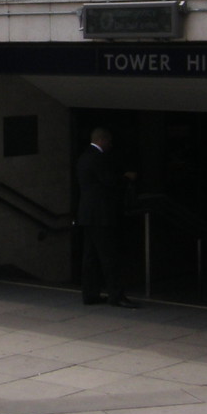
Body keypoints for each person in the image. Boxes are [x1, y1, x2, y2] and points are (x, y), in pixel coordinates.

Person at [76, 126, 138, 308]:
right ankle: (116, 295)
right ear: (102, 140)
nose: (110, 145)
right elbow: (111, 181)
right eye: (109, 142)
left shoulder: (83, 157)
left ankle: (90, 294)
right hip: (101, 215)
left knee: (90, 257)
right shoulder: (98, 158)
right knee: (109, 256)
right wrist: (127, 178)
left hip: (87, 214)